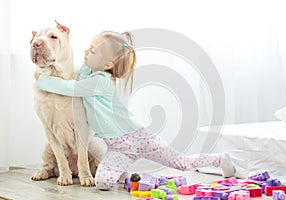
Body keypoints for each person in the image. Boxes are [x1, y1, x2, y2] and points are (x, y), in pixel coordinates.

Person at [35, 30, 235, 190]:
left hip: (138, 137)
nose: (87, 51)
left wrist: (42, 79)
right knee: (103, 183)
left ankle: (219, 159)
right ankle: (127, 174)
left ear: (108, 64)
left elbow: (71, 87)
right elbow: (81, 71)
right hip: (117, 147)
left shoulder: (100, 81)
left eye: (93, 50)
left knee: (180, 163)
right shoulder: (89, 73)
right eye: (88, 47)